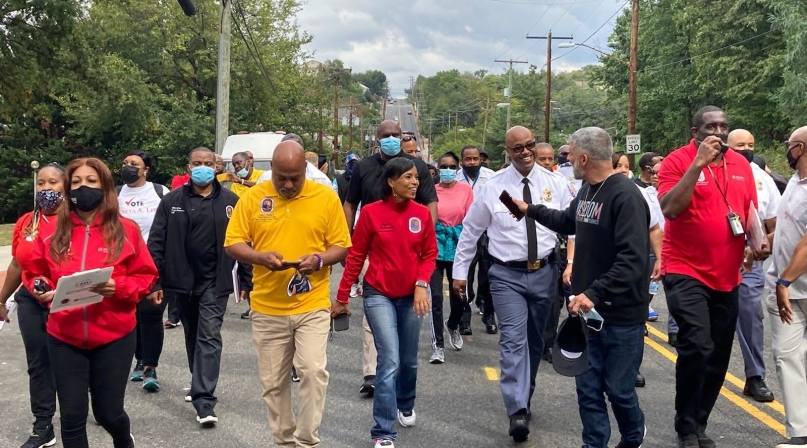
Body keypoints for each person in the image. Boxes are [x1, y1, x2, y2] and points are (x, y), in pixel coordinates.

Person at [514, 126, 649, 448]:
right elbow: (566, 221)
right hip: (588, 314)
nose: (568, 159)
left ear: (584, 158)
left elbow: (633, 260)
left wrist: (594, 292)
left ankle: (632, 438)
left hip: (621, 315)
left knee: (619, 390)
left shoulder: (625, 195)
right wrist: (529, 210)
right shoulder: (588, 191)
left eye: (571, 154)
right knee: (587, 390)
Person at [224, 141, 351, 448]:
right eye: (282, 178)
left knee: (312, 370)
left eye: (296, 177)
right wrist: (260, 257)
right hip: (268, 307)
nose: (289, 184)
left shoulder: (324, 197)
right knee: (272, 384)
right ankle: (284, 442)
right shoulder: (254, 197)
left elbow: (341, 245)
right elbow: (233, 243)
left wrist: (319, 259)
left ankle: (307, 441)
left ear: (305, 171)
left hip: (312, 303)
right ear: (272, 171)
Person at [452, 126, 574, 443]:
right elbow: (471, 231)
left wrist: (573, 264)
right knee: (512, 341)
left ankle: (525, 394)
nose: (525, 152)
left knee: (536, 342)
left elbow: (573, 228)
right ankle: (516, 409)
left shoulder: (555, 183)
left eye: (529, 145)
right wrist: (460, 272)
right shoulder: (494, 187)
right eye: (517, 148)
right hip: (507, 276)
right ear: (508, 152)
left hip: (545, 272)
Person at [29, 157, 158, 448]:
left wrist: (119, 287)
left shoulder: (127, 230)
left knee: (108, 413)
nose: (82, 188)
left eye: (90, 182)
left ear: (105, 187)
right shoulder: (52, 233)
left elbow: (146, 276)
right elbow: (34, 270)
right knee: (72, 418)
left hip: (114, 336)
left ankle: (124, 440)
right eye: (75, 182)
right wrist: (41, 286)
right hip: (64, 335)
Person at [658, 106, 767, 448]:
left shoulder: (741, 165)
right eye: (711, 127)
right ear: (695, 133)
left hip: (728, 273)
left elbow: (748, 210)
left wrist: (755, 242)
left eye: (723, 126)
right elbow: (670, 209)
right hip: (684, 268)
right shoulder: (677, 161)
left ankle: (699, 422)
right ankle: (686, 426)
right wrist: (698, 165)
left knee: (718, 354)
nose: (719, 133)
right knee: (697, 344)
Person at [335, 157, 437, 448]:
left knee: (408, 361)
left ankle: (406, 402)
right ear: (391, 182)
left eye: (416, 177)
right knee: (389, 360)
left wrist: (421, 284)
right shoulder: (370, 213)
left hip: (411, 296)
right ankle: (383, 431)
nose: (415, 182)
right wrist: (342, 296)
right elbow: (356, 256)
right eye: (407, 177)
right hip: (379, 294)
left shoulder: (421, 214)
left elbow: (430, 255)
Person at [147, 147, 246, 426]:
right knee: (192, 334)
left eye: (208, 163)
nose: (202, 168)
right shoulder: (171, 201)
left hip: (216, 281)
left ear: (216, 167)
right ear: (188, 167)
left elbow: (243, 241)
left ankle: (204, 399)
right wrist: (155, 280)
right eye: (196, 163)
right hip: (181, 282)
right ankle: (197, 380)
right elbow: (155, 243)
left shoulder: (230, 200)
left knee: (209, 335)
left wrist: (247, 280)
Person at [343, 120, 438, 397]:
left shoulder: (416, 167)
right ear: (377, 139)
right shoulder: (364, 167)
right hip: (375, 249)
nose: (392, 139)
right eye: (386, 135)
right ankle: (373, 372)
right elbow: (351, 203)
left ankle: (402, 391)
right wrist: (347, 240)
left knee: (406, 351)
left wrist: (425, 237)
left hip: (411, 253)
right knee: (374, 317)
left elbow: (430, 202)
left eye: (396, 135)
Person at [0, 163, 65, 448]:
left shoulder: (78, 221)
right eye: (41, 183)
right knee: (38, 363)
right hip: (30, 299)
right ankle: (43, 425)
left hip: (67, 300)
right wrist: (1, 299)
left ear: (67, 187)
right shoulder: (27, 221)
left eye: (53, 183)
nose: (46, 189)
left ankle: (101, 408)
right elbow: (16, 263)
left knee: (74, 363)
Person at [727, 129, 781, 403]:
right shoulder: (712, 173)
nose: (746, 149)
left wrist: (763, 246)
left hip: (748, 262)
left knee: (750, 314)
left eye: (750, 145)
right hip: (713, 258)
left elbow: (775, 224)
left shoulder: (763, 179)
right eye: (739, 145)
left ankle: (755, 376)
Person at [765, 125, 807, 448]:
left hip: (790, 285)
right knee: (786, 356)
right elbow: (786, 228)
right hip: (785, 288)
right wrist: (761, 244)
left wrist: (784, 280)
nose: (787, 151)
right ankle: (800, 432)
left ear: (801, 149)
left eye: (790, 146)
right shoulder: (793, 182)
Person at [116, 150, 171, 392]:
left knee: (151, 314)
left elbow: (171, 228)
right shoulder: (114, 194)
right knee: (132, 316)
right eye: (125, 163)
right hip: (123, 265)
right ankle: (138, 359)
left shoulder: (160, 192)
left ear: (145, 170)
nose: (128, 166)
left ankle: (150, 366)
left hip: (154, 264)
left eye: (134, 164)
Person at [612, 150, 664, 387]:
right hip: (606, 267)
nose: (623, 170)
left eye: (625, 166)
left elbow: (654, 228)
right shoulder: (595, 193)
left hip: (636, 266)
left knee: (636, 318)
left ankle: (633, 368)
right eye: (618, 166)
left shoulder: (641, 194)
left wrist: (661, 259)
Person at [429, 152, 474, 363]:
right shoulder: (430, 190)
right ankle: (438, 345)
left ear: (457, 169)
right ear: (438, 169)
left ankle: (453, 325)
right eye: (444, 166)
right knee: (436, 297)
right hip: (435, 246)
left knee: (460, 296)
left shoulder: (465, 190)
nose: (447, 169)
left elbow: (471, 218)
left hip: (458, 246)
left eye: (452, 166)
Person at [457, 145, 497, 334]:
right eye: (468, 159)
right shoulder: (455, 178)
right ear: (462, 161)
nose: (472, 162)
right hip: (465, 233)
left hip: (490, 233)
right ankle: (464, 319)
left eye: (475, 159)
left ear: (480, 159)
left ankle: (489, 315)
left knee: (489, 277)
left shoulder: (492, 177)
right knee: (466, 275)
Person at [257, 134, 332, 188]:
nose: (288, 185)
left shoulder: (321, 180)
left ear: (303, 154)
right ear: (271, 165)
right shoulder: (265, 179)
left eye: (295, 179)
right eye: (281, 178)